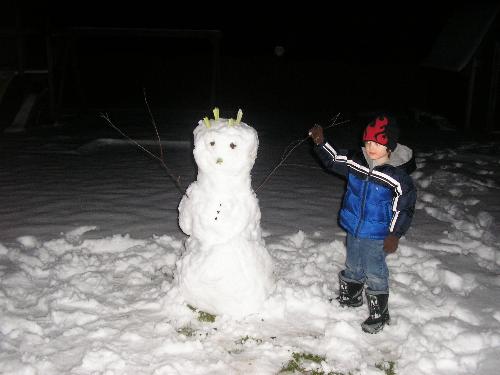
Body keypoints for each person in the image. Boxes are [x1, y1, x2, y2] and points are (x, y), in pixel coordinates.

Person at [309, 114, 416, 334]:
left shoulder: (396, 176)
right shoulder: (356, 161)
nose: (371, 148)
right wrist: (321, 143)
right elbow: (334, 159)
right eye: (368, 142)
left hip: (378, 235)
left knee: (375, 271)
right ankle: (351, 297)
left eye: (377, 143)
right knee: (353, 263)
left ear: (389, 147)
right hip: (354, 227)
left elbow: (403, 208)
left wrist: (394, 234)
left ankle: (380, 313)